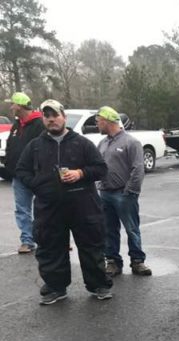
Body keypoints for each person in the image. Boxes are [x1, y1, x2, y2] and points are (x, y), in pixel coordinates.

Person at [15, 99, 113, 305]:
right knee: (50, 248)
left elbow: (101, 169)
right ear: (43, 119)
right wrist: (39, 184)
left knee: (91, 246)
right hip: (49, 208)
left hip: (84, 206)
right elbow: (21, 171)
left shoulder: (82, 143)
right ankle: (55, 288)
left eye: (55, 115)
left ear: (64, 118)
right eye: (47, 116)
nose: (51, 120)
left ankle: (99, 285)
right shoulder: (35, 146)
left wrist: (81, 173)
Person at [95, 105, 152, 277]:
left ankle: (137, 261)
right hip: (105, 193)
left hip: (123, 194)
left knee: (132, 228)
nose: (97, 125)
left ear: (107, 121)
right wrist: (98, 185)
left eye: (98, 122)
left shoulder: (131, 142)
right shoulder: (102, 143)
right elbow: (98, 166)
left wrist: (130, 191)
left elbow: (138, 169)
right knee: (108, 229)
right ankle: (112, 261)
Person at [3, 92, 45, 254]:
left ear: (19, 105)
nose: (11, 107)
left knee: (45, 208)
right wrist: (8, 164)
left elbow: (43, 149)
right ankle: (27, 240)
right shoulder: (17, 124)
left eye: (13, 104)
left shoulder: (39, 124)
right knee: (22, 209)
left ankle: (50, 239)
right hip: (18, 176)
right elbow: (11, 145)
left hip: (37, 175)